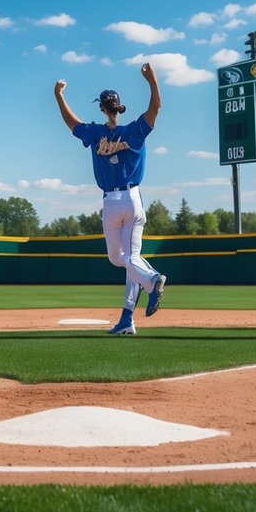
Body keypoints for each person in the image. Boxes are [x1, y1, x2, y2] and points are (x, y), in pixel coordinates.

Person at [54, 63, 166, 336]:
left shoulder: (95, 133)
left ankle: (153, 280)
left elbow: (71, 123)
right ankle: (127, 319)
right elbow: (155, 110)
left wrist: (59, 95)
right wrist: (152, 80)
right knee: (131, 259)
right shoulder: (134, 131)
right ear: (119, 106)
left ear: (102, 108)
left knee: (119, 258)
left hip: (113, 202)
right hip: (135, 198)